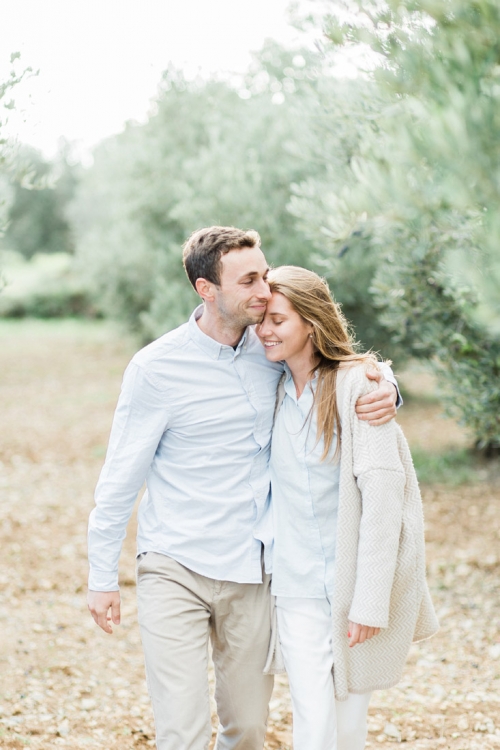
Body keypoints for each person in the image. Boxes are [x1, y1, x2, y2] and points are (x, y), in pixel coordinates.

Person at [87, 227, 400, 750]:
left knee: (249, 730)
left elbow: (338, 364)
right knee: (182, 732)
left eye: (265, 274)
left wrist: (389, 388)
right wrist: (101, 576)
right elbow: (119, 479)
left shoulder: (271, 346)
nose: (263, 290)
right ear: (206, 289)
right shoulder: (155, 369)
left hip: (254, 572)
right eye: (249, 280)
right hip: (173, 564)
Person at [257, 265, 439, 750]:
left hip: (352, 583)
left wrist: (371, 599)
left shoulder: (359, 387)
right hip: (294, 586)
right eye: (262, 320)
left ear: (311, 325)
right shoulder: (270, 388)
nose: (264, 331)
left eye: (278, 320)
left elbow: (384, 500)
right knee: (312, 719)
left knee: (349, 724)